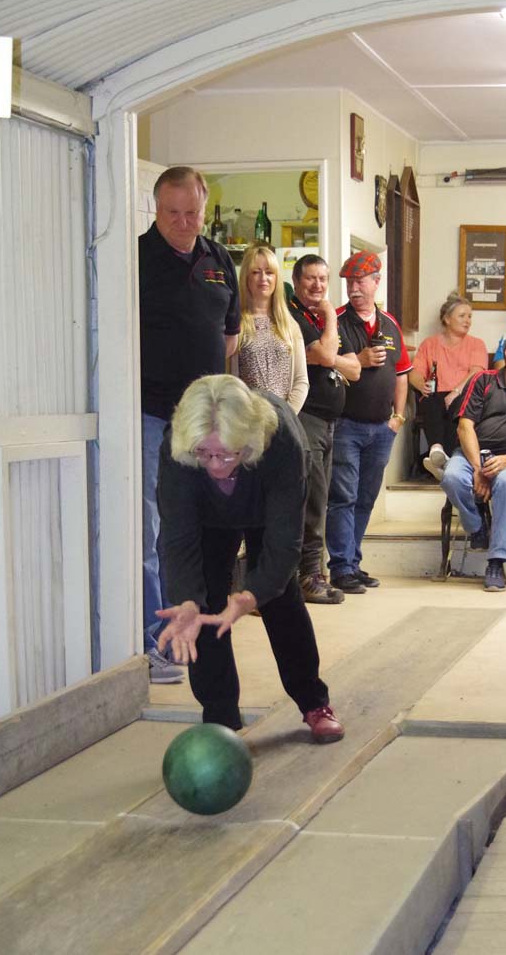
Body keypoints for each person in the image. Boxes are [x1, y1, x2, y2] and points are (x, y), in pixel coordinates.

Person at [155, 374, 344, 744]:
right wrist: (186, 599)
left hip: (264, 499)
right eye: (204, 454)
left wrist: (250, 596)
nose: (215, 465)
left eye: (226, 453)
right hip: (208, 514)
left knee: (280, 597)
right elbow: (177, 540)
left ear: (248, 441)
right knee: (201, 608)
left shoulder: (281, 442)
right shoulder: (179, 447)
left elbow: (284, 545)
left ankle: (313, 702)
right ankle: (220, 719)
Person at [139, 166, 240, 683]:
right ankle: (154, 640)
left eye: (192, 213)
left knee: (200, 529)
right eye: (171, 213)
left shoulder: (219, 260)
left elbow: (229, 337)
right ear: (155, 208)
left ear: (204, 209)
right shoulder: (134, 258)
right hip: (150, 415)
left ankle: (197, 626)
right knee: (151, 531)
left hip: (204, 425)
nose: (182, 222)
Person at [325, 251, 412, 594]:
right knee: (343, 497)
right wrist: (357, 360)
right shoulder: (336, 320)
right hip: (346, 425)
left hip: (382, 428)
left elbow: (402, 374)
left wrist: (398, 417)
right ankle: (341, 568)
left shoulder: (390, 324)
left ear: (377, 282)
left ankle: (353, 562)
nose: (354, 288)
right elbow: (324, 364)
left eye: (360, 281)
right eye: (349, 282)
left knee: (365, 498)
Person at [441, 332, 506, 592]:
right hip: (473, 453)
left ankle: (496, 562)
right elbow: (465, 427)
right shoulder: (483, 381)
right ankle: (477, 527)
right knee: (452, 477)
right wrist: (479, 469)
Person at [288, 254, 361, 605]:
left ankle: (314, 572)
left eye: (323, 279)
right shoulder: (294, 316)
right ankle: (308, 577)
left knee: (322, 498)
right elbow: (330, 357)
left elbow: (355, 369)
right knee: (311, 502)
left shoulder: (317, 320)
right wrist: (332, 314)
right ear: (296, 281)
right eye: (310, 278)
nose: (318, 286)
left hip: (330, 424)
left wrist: (332, 354)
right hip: (306, 419)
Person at [408, 292, 488, 482]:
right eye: (462, 316)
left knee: (458, 406)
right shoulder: (429, 344)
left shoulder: (476, 344)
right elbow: (414, 373)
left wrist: (456, 391)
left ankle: (443, 462)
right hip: (435, 397)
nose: (467, 321)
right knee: (430, 399)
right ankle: (437, 449)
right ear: (447, 319)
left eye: (470, 316)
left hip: (464, 395)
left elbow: (477, 372)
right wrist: (421, 384)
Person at [234, 245, 308, 413]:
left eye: (269, 272)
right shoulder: (236, 324)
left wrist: (286, 416)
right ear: (246, 277)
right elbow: (230, 381)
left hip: (284, 418)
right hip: (248, 419)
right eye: (256, 272)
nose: (263, 278)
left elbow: (301, 380)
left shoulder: (290, 325)